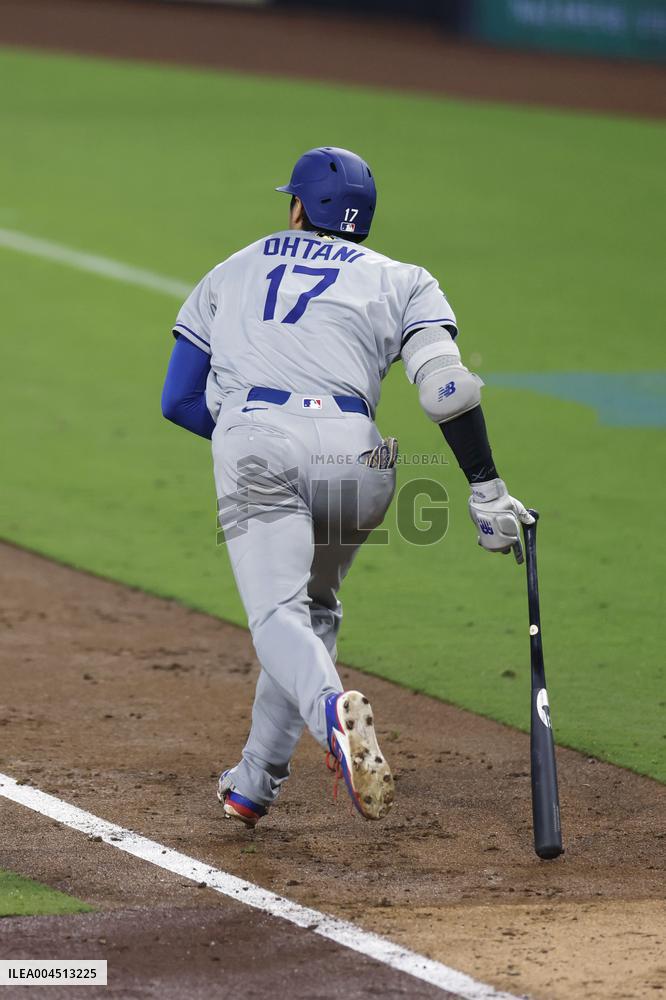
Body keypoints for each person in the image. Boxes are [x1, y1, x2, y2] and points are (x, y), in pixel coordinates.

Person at [161, 146, 533, 827]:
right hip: (358, 459)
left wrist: (246, 428)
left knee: (277, 615)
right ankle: (254, 784)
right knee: (314, 611)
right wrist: (487, 490)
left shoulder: (233, 268)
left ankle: (331, 710)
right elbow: (448, 390)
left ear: (296, 206)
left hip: (259, 439)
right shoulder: (406, 280)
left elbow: (178, 399)